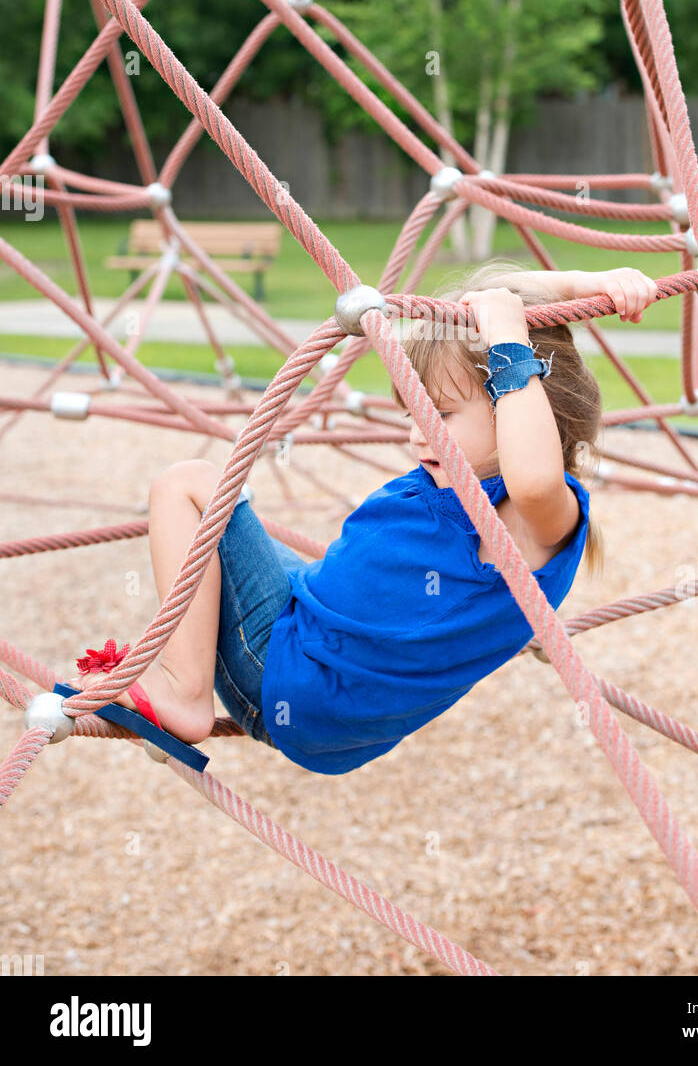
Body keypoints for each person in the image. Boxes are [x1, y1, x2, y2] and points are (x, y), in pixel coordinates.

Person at [72, 259, 658, 772]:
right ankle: (187, 675)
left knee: (189, 485)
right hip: (311, 673)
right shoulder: (477, 485)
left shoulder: (532, 517)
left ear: (525, 400)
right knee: (229, 524)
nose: (415, 432)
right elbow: (494, 300)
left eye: (443, 413)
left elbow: (533, 474)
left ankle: (183, 690)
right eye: (414, 409)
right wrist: (588, 282)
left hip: (286, 672)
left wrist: (509, 343)